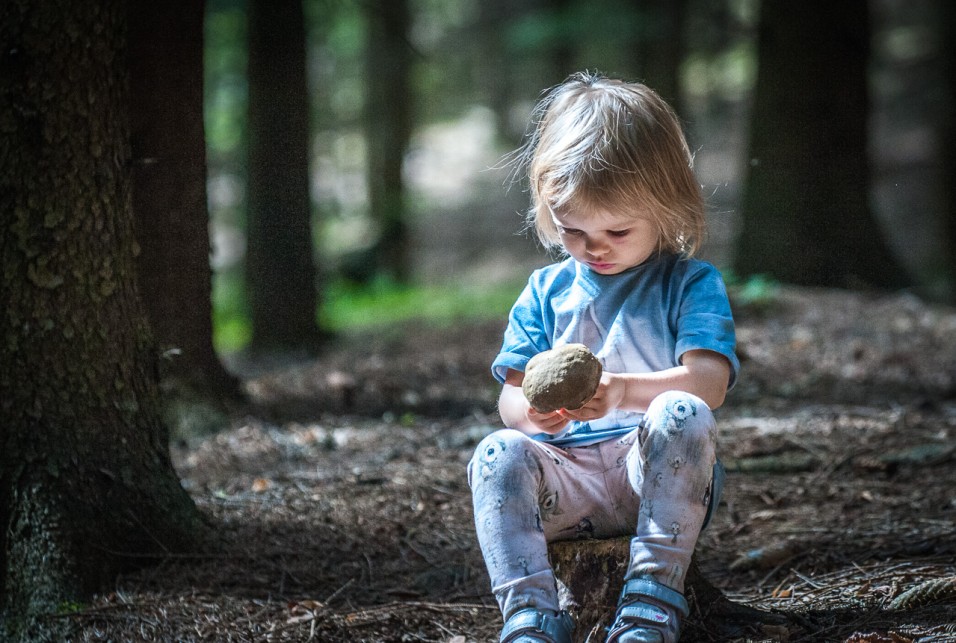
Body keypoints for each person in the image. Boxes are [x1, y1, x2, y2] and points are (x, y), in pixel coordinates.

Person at [467, 71, 739, 643]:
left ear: (666, 208)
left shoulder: (688, 283)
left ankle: (651, 601)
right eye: (573, 230)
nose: (594, 248)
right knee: (496, 454)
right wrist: (531, 416)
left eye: (618, 230)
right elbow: (511, 394)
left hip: (659, 477)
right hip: (567, 483)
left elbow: (709, 383)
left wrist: (619, 392)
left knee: (683, 413)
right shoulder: (544, 292)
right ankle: (530, 615)